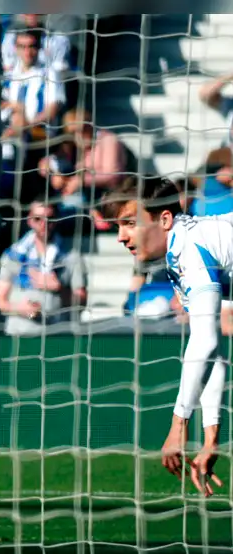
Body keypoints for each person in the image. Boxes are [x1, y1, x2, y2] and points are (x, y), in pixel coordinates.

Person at [103, 176, 226, 498]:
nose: (121, 236)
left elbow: (206, 342)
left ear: (165, 219)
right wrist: (211, 439)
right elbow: (213, 353)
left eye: (129, 223)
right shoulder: (184, 248)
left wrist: (179, 425)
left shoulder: (191, 249)